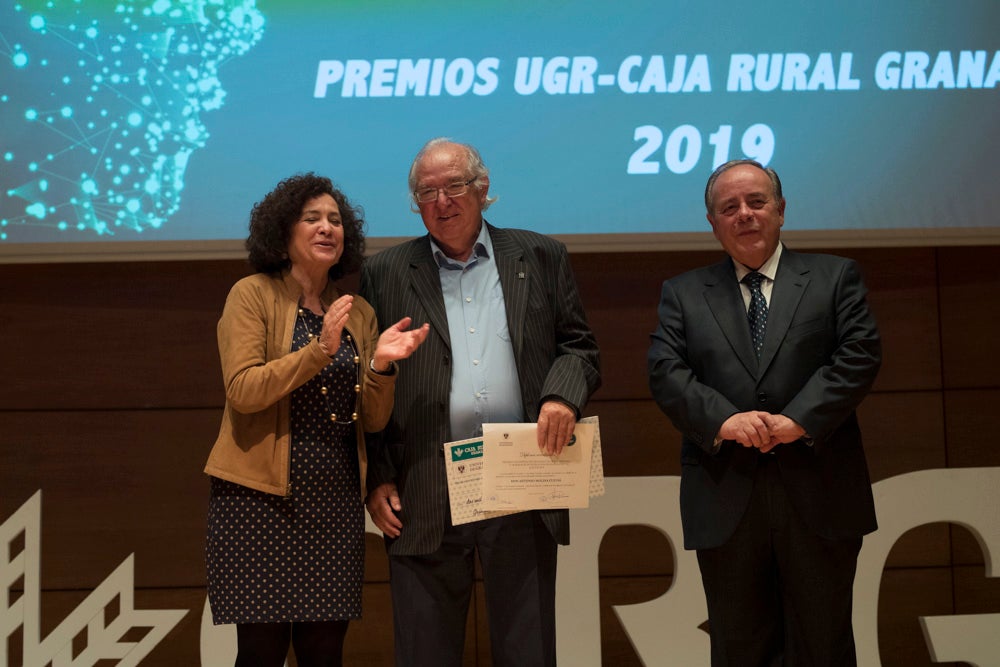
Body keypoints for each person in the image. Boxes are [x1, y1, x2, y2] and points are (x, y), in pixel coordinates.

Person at [359, 138, 601, 666]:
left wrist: (562, 396)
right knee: (425, 652)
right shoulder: (386, 273)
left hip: (522, 476)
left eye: (454, 186)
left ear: (482, 190)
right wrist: (377, 475)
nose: (442, 201)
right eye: (427, 191)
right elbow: (372, 380)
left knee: (527, 648)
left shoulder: (540, 255)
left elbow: (579, 347)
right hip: (424, 484)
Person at [647, 159, 881, 666]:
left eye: (756, 202)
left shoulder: (834, 276)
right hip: (726, 495)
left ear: (781, 210)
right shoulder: (683, 294)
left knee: (825, 644)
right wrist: (724, 421)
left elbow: (859, 355)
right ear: (712, 223)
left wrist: (800, 419)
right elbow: (666, 372)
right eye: (729, 207)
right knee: (739, 647)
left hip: (821, 492)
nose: (744, 214)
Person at [203, 173, 428, 667]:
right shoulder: (252, 295)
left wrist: (381, 367)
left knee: (325, 653)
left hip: (333, 502)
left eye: (335, 220)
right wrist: (320, 350)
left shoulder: (359, 313)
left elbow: (372, 419)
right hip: (257, 503)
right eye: (312, 219)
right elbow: (243, 391)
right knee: (260, 653)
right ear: (283, 232)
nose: (328, 228)